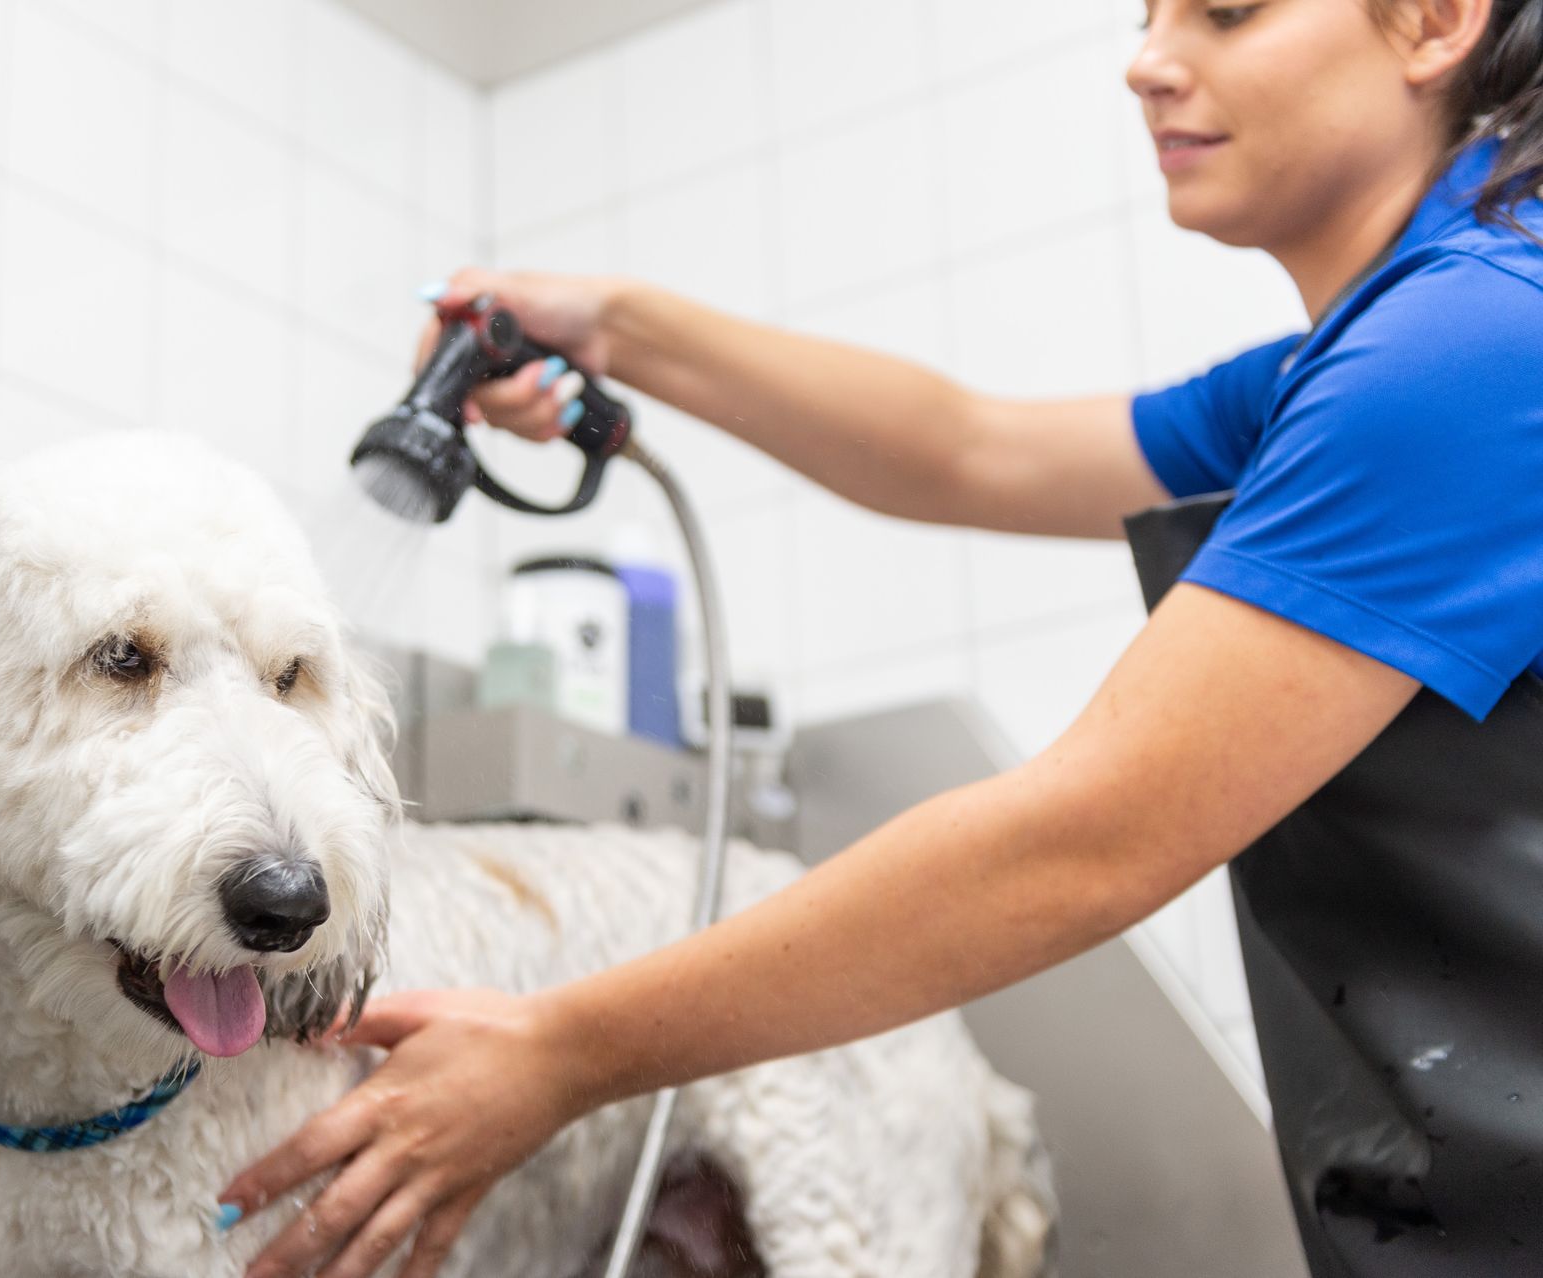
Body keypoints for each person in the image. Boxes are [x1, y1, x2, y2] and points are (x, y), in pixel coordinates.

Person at [224, 1, 1543, 1274]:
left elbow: (1086, 837)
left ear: (1435, 20)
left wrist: (558, 1049)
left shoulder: (1471, 340)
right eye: (1147, 13)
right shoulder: (1371, 353)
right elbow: (969, 448)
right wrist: (614, 327)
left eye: (1228, 11)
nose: (1147, 60)